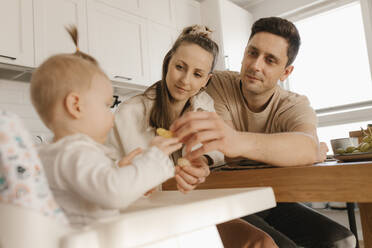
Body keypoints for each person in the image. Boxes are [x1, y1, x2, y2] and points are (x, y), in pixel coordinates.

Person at [170, 17, 355, 247]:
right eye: (252, 53)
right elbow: (217, 149)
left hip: (271, 198)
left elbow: (306, 147)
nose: (256, 65)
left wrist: (236, 141)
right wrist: (292, 150)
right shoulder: (216, 83)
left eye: (270, 60)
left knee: (343, 240)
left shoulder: (294, 104)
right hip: (222, 198)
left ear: (286, 72)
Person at [107, 25, 278, 248]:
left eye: (197, 74)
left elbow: (216, 150)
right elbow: (108, 175)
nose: (185, 81)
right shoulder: (130, 112)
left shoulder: (204, 105)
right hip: (147, 215)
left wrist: (202, 161)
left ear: (206, 81)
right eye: (180, 67)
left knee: (261, 242)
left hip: (194, 206)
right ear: (168, 63)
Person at [30, 26, 182, 228]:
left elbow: (90, 191)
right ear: (76, 105)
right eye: (106, 105)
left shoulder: (48, 154)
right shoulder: (75, 152)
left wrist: (121, 172)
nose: (111, 115)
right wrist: (154, 157)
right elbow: (114, 193)